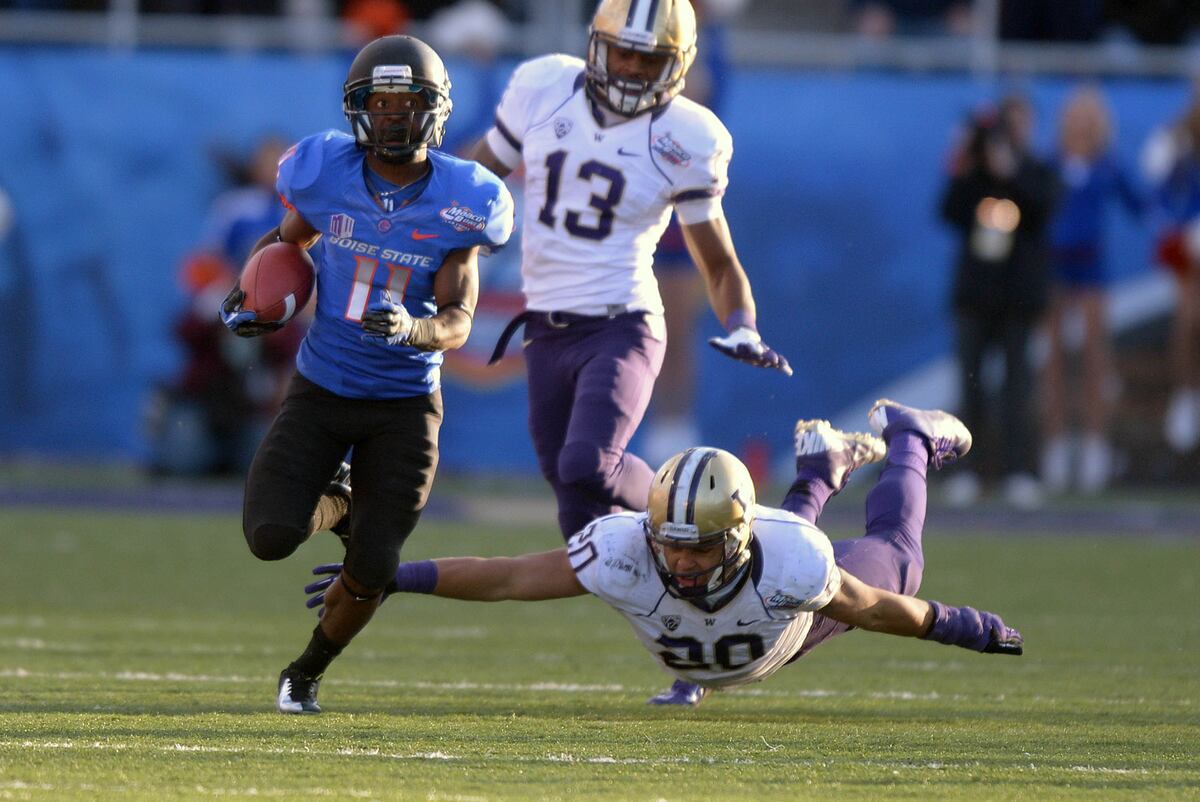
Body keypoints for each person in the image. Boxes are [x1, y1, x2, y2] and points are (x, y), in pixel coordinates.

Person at [466, 0, 792, 705]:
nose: (633, 69)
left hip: (623, 324)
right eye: (624, 53)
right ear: (596, 46)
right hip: (545, 329)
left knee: (588, 463)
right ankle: (692, 640)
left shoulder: (686, 135)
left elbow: (717, 259)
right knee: (585, 532)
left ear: (677, 65)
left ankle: (703, 507)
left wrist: (742, 322)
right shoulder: (542, 85)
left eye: (650, 59)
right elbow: (475, 177)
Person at [305, 399, 1024, 707]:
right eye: (669, 544)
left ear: (738, 536)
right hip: (759, 600)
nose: (679, 564)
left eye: (699, 549)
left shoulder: (793, 563)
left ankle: (908, 438)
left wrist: (968, 626)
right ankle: (821, 468)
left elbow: (881, 609)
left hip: (791, 628)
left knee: (898, 562)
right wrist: (390, 576)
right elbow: (509, 577)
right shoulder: (624, 550)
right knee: (783, 564)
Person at [218, 34, 514, 714]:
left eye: (406, 102)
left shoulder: (463, 197)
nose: (392, 116)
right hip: (322, 387)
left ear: (434, 110)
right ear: (358, 108)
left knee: (375, 567)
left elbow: (459, 319)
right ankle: (344, 501)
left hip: (404, 405)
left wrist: (413, 330)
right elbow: (285, 242)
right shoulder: (325, 171)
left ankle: (306, 671)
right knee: (269, 535)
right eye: (379, 103)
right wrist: (250, 296)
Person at [939, 95, 1060, 510]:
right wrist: (968, 161)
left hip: (1017, 298)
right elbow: (948, 211)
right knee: (970, 385)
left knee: (1016, 387)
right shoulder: (975, 173)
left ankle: (1017, 471)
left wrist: (1011, 173)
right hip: (975, 296)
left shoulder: (1038, 170)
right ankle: (966, 471)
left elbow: (1043, 209)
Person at [1040, 87, 1145, 494]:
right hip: (1054, 268)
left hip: (1091, 270)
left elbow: (1142, 204)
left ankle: (1095, 446)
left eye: (1089, 119)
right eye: (1075, 118)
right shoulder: (1050, 163)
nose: (1081, 126)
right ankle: (1055, 445)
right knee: (1053, 358)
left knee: (1094, 356)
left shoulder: (1108, 164)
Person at [1141, 87, 1200, 454]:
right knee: (1188, 318)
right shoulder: (1179, 139)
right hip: (1190, 243)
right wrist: (1175, 229)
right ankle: (1185, 394)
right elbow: (1158, 188)